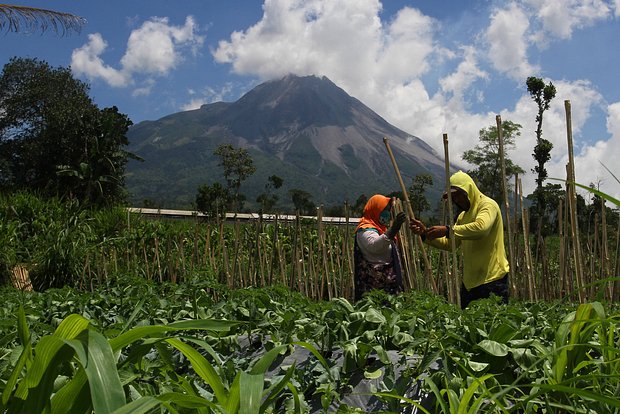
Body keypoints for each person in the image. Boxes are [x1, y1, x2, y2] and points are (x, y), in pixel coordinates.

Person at [409, 171, 510, 309]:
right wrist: (425, 235)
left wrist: (447, 230)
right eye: (453, 197)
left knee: (494, 324)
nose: (456, 200)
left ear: (468, 190)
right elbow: (451, 245)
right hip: (470, 283)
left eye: (458, 195)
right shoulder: (463, 216)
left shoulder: (487, 205)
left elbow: (482, 228)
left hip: (492, 279)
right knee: (469, 326)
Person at [353, 194, 407, 301]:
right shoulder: (365, 229)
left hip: (387, 283)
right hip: (374, 284)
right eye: (384, 210)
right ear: (376, 209)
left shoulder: (380, 228)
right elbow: (375, 246)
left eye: (388, 210)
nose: (387, 213)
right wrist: (393, 230)